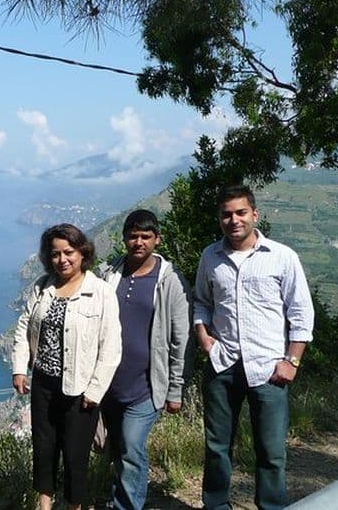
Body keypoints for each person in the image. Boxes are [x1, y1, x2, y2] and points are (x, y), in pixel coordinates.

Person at [194, 185, 314, 510]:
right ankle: (216, 505)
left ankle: (271, 506)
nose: (234, 220)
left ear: (255, 215)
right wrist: (204, 337)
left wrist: (292, 361)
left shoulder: (282, 257)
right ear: (220, 218)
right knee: (217, 447)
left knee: (271, 451)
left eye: (241, 212)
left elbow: (301, 313)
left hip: (269, 368)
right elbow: (201, 302)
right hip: (223, 364)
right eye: (226, 214)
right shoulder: (210, 257)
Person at [12, 223, 122, 510]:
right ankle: (44, 505)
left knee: (75, 456)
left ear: (82, 252)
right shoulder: (42, 286)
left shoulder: (100, 292)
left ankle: (75, 506)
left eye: (68, 252)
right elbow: (24, 327)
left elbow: (111, 347)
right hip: (44, 384)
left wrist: (95, 390)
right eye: (55, 254)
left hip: (80, 389)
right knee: (44, 449)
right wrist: (20, 368)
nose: (62, 259)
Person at [100, 210, 194, 510]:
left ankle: (127, 506)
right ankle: (121, 496)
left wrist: (176, 389)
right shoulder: (109, 274)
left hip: (146, 386)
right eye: (133, 236)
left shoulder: (170, 281)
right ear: (124, 239)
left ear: (157, 239)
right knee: (118, 448)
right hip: (109, 385)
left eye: (145, 236)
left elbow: (182, 337)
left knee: (131, 446)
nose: (138, 242)